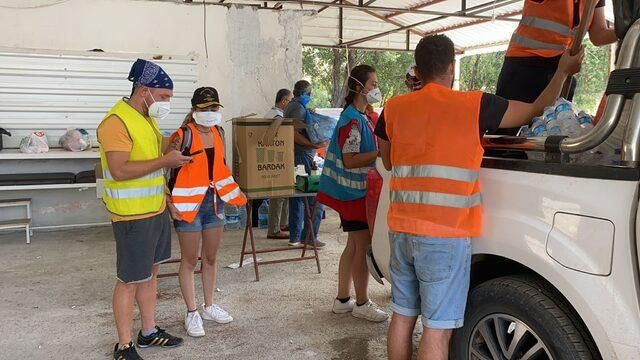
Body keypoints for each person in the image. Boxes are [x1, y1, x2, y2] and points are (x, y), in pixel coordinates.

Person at [375, 35, 583, 360]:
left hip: (401, 231)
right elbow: (536, 110)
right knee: (437, 329)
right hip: (444, 236)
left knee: (402, 314)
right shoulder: (474, 105)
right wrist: (563, 71)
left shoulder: (394, 108)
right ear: (451, 67)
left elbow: (388, 161)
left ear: (418, 69)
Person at [98, 59, 188, 360]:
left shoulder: (144, 116)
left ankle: (148, 332)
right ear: (145, 90)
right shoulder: (116, 122)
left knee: (150, 274)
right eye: (164, 97)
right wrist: (166, 162)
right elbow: (119, 169)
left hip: (155, 209)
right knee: (129, 280)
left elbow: (152, 149)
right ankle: (123, 346)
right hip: (132, 216)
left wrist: (171, 143)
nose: (166, 103)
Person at [166, 87, 247, 338]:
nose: (211, 113)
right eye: (205, 109)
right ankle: (192, 312)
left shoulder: (219, 132)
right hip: (188, 205)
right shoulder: (181, 136)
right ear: (195, 110)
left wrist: (230, 193)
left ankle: (209, 306)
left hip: (214, 203)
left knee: (210, 258)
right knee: (189, 260)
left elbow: (221, 167)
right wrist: (169, 202)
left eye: (215, 108)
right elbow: (165, 170)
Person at [317, 65, 389, 323]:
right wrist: (381, 154)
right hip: (354, 194)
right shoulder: (353, 121)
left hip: (354, 193)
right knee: (363, 248)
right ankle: (361, 302)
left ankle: (342, 299)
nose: (376, 89)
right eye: (373, 84)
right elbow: (350, 160)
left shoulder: (362, 116)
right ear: (359, 88)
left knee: (352, 247)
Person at [494, 0, 615, 134]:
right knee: (508, 131)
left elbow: (598, 34)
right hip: (525, 63)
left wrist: (626, 29)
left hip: (562, 66)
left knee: (554, 128)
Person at [284, 80, 327, 248]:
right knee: (315, 199)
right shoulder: (298, 108)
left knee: (296, 198)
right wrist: (312, 145)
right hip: (302, 157)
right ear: (307, 94)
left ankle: (295, 236)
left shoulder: (292, 106)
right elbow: (292, 132)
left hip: (297, 156)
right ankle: (310, 236)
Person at [265, 89, 293, 239]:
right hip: (276, 158)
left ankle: (281, 224)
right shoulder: (278, 116)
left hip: (275, 157)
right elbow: (272, 138)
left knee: (284, 193)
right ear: (283, 101)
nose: (291, 103)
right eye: (290, 100)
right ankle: (274, 229)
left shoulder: (271, 113)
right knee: (278, 194)